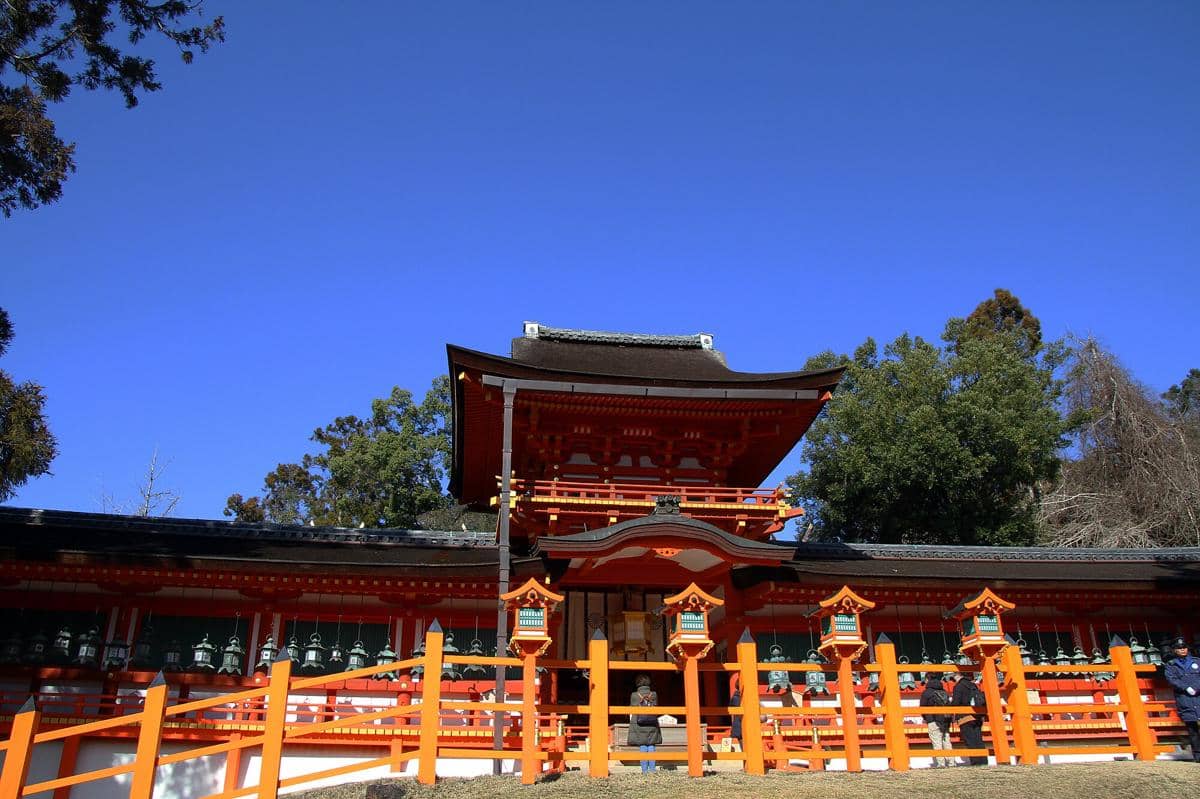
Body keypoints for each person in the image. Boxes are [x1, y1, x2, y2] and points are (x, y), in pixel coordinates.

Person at [1164, 637, 1200, 762]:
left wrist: (1197, 687)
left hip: (1198, 696)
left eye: (1184, 647)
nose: (1182, 650)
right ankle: (1198, 755)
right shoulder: (1171, 665)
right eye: (1179, 648)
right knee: (1192, 729)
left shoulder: (1197, 661)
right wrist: (1186, 688)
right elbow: (1171, 679)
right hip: (1185, 698)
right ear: (1174, 650)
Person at [950, 671, 988, 765]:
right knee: (978, 740)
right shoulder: (973, 685)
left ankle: (975, 762)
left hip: (965, 717)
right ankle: (983, 761)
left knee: (970, 741)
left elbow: (956, 702)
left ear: (957, 676)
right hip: (977, 715)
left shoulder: (958, 687)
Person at [627, 673, 662, 773]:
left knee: (642, 745)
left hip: (638, 723)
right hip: (652, 723)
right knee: (651, 745)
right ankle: (652, 769)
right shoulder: (654, 694)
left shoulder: (634, 695)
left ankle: (644, 770)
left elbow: (631, 708)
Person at [919, 673, 953, 768]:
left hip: (933, 720)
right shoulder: (943, 691)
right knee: (946, 740)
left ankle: (941, 763)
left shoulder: (927, 692)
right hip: (945, 720)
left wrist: (926, 718)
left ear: (927, 680)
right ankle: (951, 762)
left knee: (937, 741)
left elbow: (922, 707)